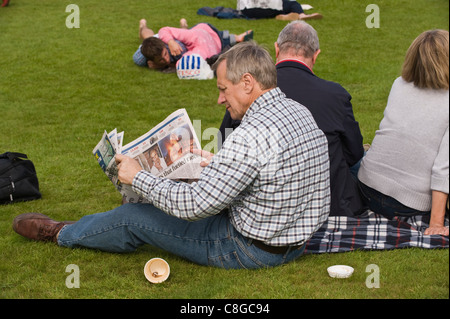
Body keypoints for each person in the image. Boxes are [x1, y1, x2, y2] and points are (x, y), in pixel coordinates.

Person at [12, 42, 331, 269]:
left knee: (134, 217)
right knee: (158, 195)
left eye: (223, 89)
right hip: (294, 242)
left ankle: (61, 233)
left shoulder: (248, 134)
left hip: (249, 250)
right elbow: (273, 174)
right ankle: (115, 213)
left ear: (247, 83)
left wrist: (137, 176)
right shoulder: (298, 111)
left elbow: (195, 205)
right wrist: (214, 163)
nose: (220, 100)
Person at [220, 21, 366, 217]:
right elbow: (354, 154)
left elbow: (223, 148)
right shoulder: (335, 95)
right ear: (316, 55)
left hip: (266, 209)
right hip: (329, 206)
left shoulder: (249, 93)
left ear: (276, 49)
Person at [357, 30, 449, 236]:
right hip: (407, 204)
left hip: (367, 187)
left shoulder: (399, 84)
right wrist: (436, 224)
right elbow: (444, 168)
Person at [133, 18, 253, 72]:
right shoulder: (141, 58)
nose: (166, 59)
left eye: (165, 54)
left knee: (224, 39)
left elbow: (187, 64)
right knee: (149, 39)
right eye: (161, 60)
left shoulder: (193, 50)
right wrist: (170, 41)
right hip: (191, 34)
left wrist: (164, 65)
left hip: (207, 33)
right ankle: (143, 26)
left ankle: (236, 38)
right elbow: (164, 30)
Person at [237, 0, 322, 20]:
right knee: (292, 3)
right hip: (269, 9)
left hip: (246, 10)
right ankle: (301, 15)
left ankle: (284, 15)